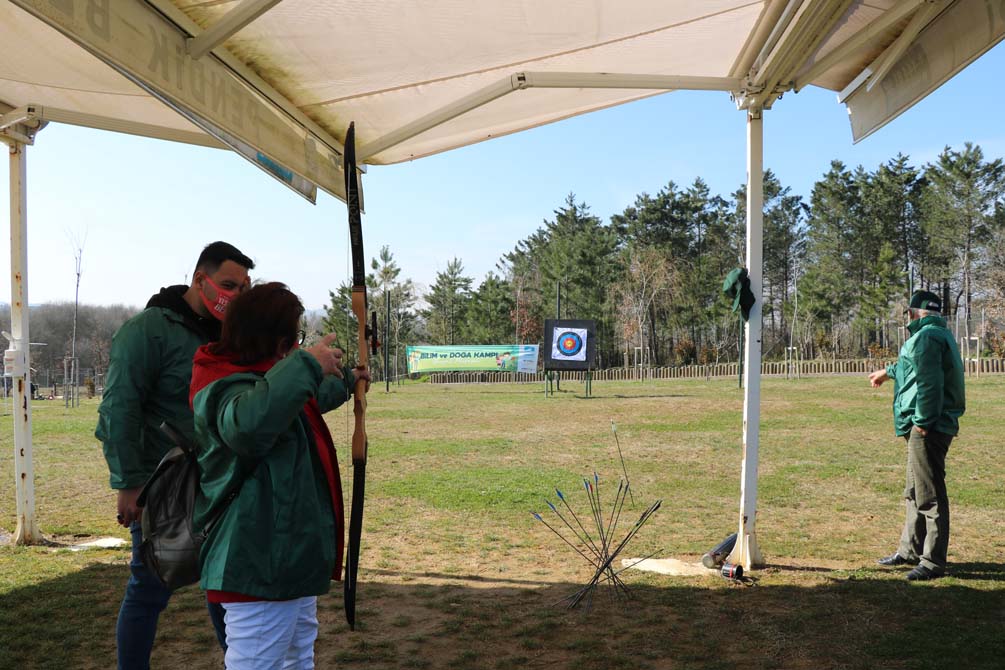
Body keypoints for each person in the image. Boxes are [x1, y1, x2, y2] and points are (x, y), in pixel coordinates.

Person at [189, 282, 369, 669]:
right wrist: (305, 364)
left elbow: (304, 401)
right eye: (294, 338)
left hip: (284, 559)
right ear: (278, 340)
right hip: (259, 561)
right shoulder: (226, 383)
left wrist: (348, 380)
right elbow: (249, 426)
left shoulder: (264, 379)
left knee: (295, 656)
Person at [96, 241, 254, 668]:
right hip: (162, 485)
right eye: (227, 284)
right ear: (200, 279)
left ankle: (241, 662)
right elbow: (119, 408)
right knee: (149, 587)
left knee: (223, 583)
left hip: (218, 483)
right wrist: (129, 484)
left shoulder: (229, 335)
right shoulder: (146, 331)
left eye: (243, 287)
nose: (235, 295)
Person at [868, 289, 965, 581]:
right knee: (914, 491)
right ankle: (909, 549)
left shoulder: (925, 338)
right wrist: (887, 372)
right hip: (930, 424)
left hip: (928, 427)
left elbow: (930, 384)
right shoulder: (936, 335)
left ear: (914, 313)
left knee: (929, 495)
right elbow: (913, 367)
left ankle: (932, 562)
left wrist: (922, 423)